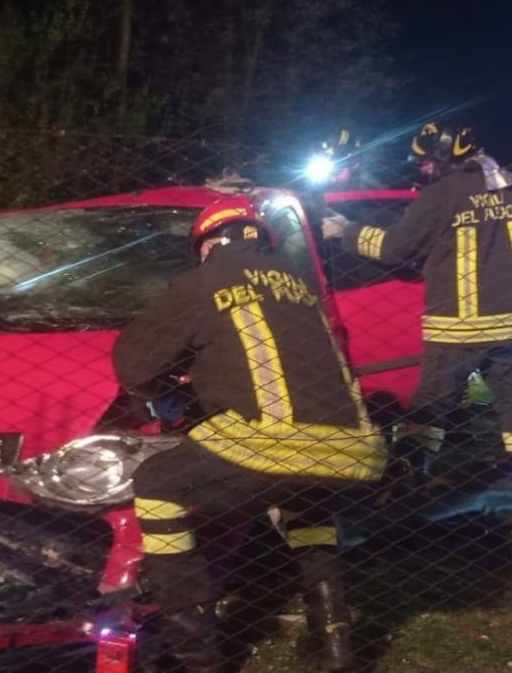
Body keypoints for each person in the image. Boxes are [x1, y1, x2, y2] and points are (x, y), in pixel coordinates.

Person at [112, 201, 387, 672]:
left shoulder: (200, 281)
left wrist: (166, 383)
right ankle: (335, 645)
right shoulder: (300, 287)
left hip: (271, 441)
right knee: (307, 502)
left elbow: (134, 365)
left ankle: (197, 657)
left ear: (208, 245)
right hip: (356, 449)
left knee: (159, 483)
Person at [322, 122, 512, 483]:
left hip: (456, 326)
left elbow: (394, 248)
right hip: (511, 324)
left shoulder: (440, 195)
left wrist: (346, 233)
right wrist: (503, 261)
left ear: (446, 157)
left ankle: (412, 469)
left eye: (428, 161)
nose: (423, 168)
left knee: (432, 402)